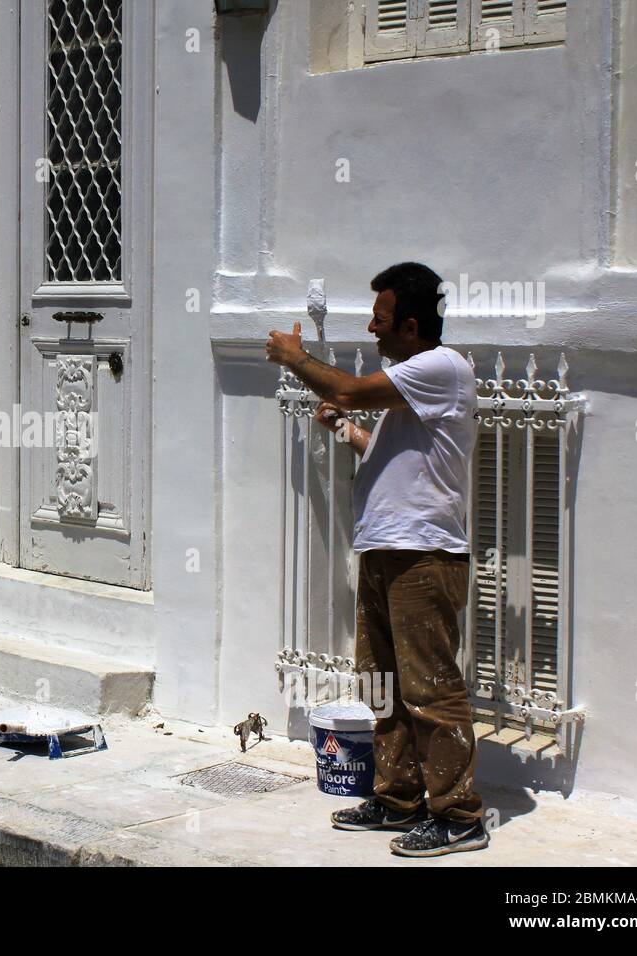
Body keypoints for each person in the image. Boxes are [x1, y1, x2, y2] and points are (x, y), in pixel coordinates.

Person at [264, 261, 486, 858]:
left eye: (381, 319)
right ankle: (398, 797)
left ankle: (459, 815)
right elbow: (390, 455)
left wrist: (295, 358)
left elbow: (345, 388)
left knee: (431, 688)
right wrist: (346, 432)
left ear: (411, 326)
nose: (371, 329)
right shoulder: (414, 381)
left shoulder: (441, 367)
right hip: (385, 548)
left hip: (424, 555)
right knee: (383, 682)